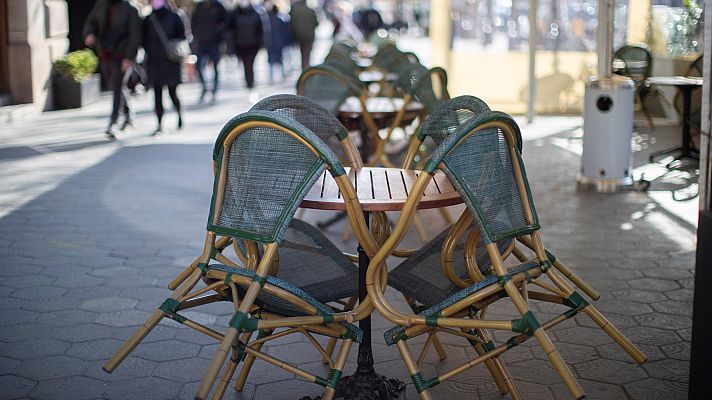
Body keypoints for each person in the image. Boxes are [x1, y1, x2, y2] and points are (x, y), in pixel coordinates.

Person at [83, 0, 141, 138]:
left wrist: (129, 58)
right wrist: (89, 34)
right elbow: (91, 22)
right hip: (105, 53)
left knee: (117, 86)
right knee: (115, 86)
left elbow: (135, 35)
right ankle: (129, 114)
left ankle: (114, 122)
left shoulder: (130, 9)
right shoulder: (101, 5)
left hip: (122, 54)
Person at [143, 0, 186, 134]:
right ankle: (160, 124)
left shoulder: (174, 16)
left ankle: (179, 115)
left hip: (171, 62)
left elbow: (182, 36)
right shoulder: (148, 19)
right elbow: (143, 40)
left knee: (173, 93)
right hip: (154, 63)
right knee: (157, 94)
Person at [191, 0, 227, 102]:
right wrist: (196, 36)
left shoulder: (218, 6)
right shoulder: (199, 6)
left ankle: (214, 90)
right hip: (201, 42)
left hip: (214, 43)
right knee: (198, 66)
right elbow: (193, 22)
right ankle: (204, 87)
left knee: (215, 67)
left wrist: (219, 33)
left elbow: (225, 22)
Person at [229, 1, 263, 90]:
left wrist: (261, 44)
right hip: (240, 46)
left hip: (253, 45)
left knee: (249, 65)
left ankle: (250, 82)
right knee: (245, 65)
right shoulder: (234, 14)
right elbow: (230, 31)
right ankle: (249, 82)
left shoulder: (256, 13)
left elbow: (260, 30)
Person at [289, 0, 318, 71]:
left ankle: (304, 68)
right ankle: (306, 67)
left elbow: (292, 24)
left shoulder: (294, 11)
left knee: (302, 53)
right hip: (309, 36)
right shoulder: (311, 11)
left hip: (299, 36)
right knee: (307, 54)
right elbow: (316, 23)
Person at [264, 1, 289, 82]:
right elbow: (285, 32)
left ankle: (271, 77)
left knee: (271, 60)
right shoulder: (280, 20)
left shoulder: (267, 21)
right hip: (279, 42)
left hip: (271, 42)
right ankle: (281, 75)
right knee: (280, 59)